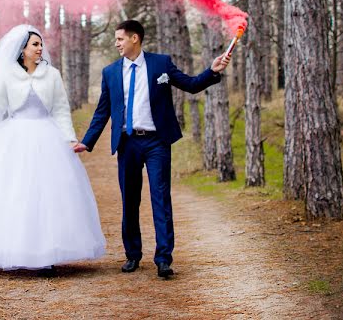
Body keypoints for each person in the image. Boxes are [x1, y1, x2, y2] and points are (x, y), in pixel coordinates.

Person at [0, 24, 106, 275]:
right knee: (12, 193)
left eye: (40, 44)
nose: (40, 48)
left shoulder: (53, 75)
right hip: (13, 137)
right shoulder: (6, 73)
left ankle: (46, 255)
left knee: (47, 196)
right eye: (35, 44)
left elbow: (60, 109)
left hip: (47, 137)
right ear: (22, 49)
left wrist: (69, 139)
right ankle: (6, 248)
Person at [73, 19, 231, 278]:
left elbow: (190, 85)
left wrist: (212, 71)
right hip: (127, 143)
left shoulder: (161, 64)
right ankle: (133, 255)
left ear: (135, 38)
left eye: (120, 39)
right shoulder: (111, 72)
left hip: (157, 142)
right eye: (115, 40)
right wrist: (87, 141)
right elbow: (103, 111)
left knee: (160, 197)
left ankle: (164, 259)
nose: (116, 43)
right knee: (130, 201)